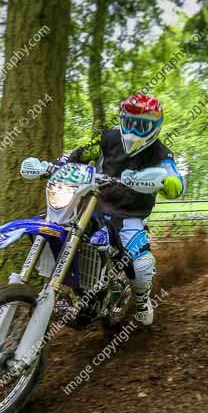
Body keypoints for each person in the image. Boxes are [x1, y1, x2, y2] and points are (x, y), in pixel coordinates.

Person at [19, 93, 185, 325]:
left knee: (140, 263)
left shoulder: (160, 154)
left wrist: (166, 182)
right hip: (93, 202)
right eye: (129, 123)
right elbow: (80, 154)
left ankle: (142, 301)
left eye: (141, 126)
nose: (133, 131)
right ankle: (63, 284)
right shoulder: (108, 138)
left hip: (129, 215)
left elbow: (176, 181)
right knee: (49, 223)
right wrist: (51, 165)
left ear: (154, 128)